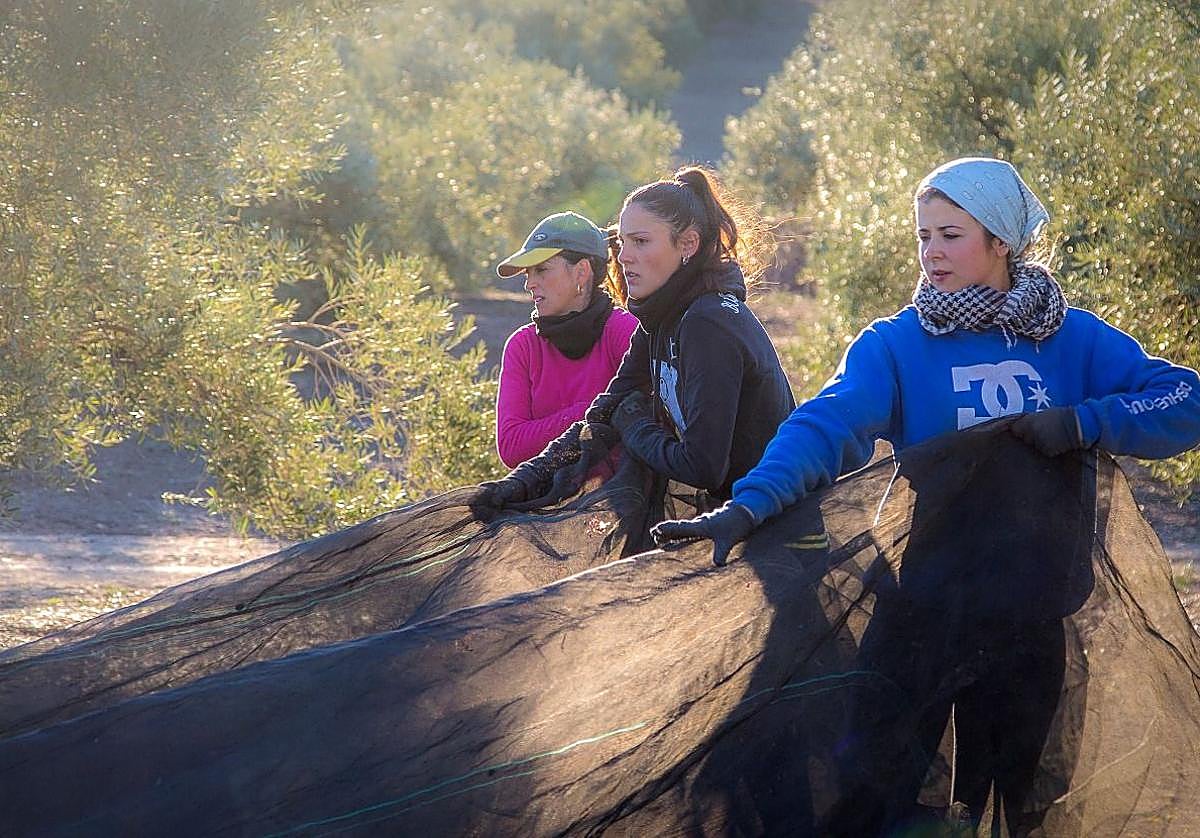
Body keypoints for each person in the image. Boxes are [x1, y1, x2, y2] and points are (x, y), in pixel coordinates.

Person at [651, 156, 1200, 832]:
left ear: (1000, 241)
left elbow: (1183, 399)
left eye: (951, 234)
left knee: (1018, 806)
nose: (931, 253)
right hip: (925, 613)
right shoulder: (897, 345)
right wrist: (750, 503)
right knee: (872, 790)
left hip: (1033, 617)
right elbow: (826, 425)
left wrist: (1085, 421)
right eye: (923, 236)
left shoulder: (1070, 338)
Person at [480, 166, 795, 511]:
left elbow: (702, 466)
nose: (625, 256)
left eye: (641, 242)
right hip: (737, 512)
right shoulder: (660, 320)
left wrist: (634, 426)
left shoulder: (708, 323)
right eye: (622, 242)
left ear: (688, 244)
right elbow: (603, 414)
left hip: (779, 520)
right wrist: (525, 480)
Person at [493, 211, 638, 471]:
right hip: (543, 504)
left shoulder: (624, 332)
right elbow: (512, 447)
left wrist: (548, 429)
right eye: (528, 273)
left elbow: (646, 421)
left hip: (622, 502)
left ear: (581, 272)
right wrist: (598, 410)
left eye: (541, 270)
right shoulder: (523, 346)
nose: (529, 284)